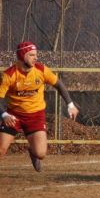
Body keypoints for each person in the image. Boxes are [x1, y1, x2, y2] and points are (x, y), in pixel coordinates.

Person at [0, 41, 79, 171]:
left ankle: (33, 152)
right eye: (31, 55)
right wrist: (4, 114)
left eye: (36, 55)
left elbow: (58, 84)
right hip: (13, 115)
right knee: (1, 150)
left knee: (41, 154)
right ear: (22, 55)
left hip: (36, 115)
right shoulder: (9, 75)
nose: (36, 58)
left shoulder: (41, 70)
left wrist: (70, 104)